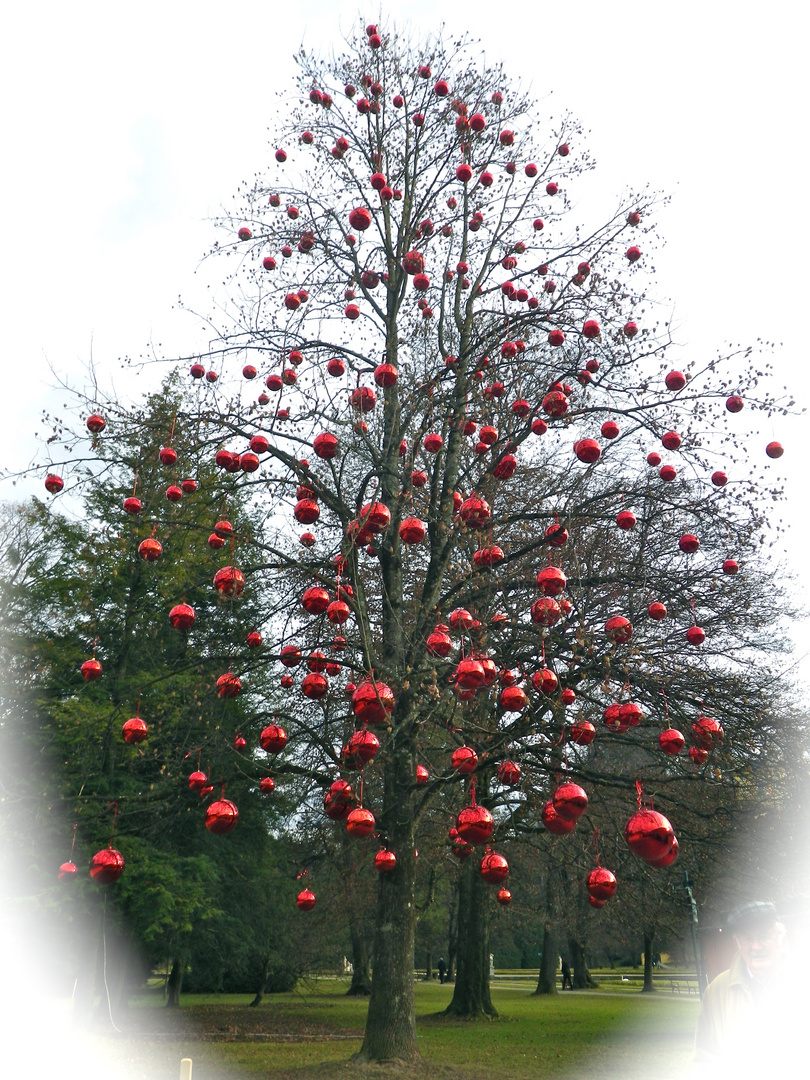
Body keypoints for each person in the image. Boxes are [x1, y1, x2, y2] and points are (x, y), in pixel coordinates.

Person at [694, 900, 797, 1076]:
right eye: (748, 939)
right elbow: (705, 1058)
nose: (756, 947)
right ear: (738, 945)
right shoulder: (717, 991)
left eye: (764, 936)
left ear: (783, 940)